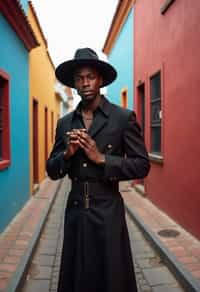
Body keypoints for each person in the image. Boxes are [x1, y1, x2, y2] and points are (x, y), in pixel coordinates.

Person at [46, 47, 150, 292]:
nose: (85, 83)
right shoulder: (65, 123)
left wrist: (101, 158)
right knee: (77, 278)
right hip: (75, 213)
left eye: (90, 76)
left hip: (108, 212)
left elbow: (142, 164)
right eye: (79, 78)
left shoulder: (122, 118)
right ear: (73, 84)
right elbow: (52, 170)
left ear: (100, 79)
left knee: (111, 278)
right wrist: (67, 154)